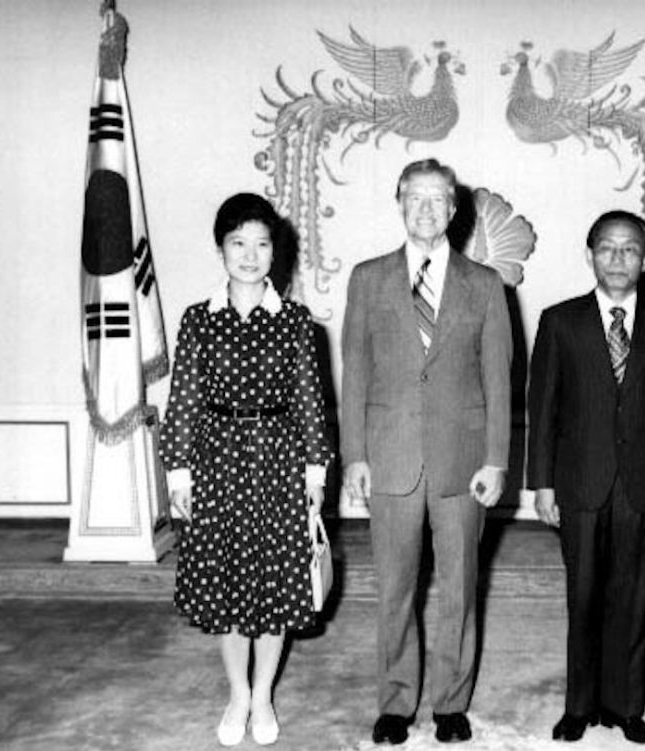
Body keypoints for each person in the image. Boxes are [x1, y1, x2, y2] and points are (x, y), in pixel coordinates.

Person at [340, 158, 512, 746]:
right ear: (399, 202)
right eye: (416, 197)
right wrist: (354, 456)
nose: (426, 209)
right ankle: (395, 703)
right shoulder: (367, 279)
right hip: (388, 459)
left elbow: (499, 378)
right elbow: (355, 373)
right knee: (394, 587)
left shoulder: (485, 285)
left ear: (454, 209)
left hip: (462, 464)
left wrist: (496, 460)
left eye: (438, 199)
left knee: (460, 588)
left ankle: (450, 704)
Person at [160, 192, 332, 747]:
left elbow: (310, 399)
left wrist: (315, 472)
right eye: (239, 243)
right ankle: (237, 693)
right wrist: (179, 474)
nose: (251, 255)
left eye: (261, 244)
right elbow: (182, 399)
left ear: (274, 252)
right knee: (228, 586)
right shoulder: (198, 321)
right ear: (221, 250)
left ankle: (264, 698)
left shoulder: (296, 322)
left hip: (279, 462)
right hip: (216, 464)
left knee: (277, 586)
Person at [528, 210, 645, 745]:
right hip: (580, 483)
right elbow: (544, 409)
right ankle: (578, 706)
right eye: (607, 247)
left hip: (644, 483)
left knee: (635, 595)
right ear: (590, 255)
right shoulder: (560, 322)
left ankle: (625, 706)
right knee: (584, 595)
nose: (618, 258)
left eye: (629, 250)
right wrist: (542, 484)